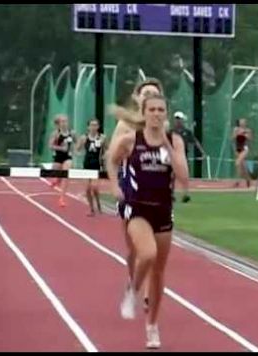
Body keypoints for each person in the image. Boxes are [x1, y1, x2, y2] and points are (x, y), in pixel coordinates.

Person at [106, 93, 189, 349]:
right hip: (137, 208)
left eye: (160, 109)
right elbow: (111, 159)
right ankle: (133, 290)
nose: (156, 113)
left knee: (160, 273)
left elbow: (184, 178)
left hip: (163, 210)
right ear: (144, 113)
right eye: (151, 109)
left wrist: (166, 144)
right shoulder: (131, 140)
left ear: (166, 113)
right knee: (148, 254)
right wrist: (114, 186)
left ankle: (152, 326)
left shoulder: (175, 141)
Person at [76, 119, 106, 216]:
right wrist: (79, 153)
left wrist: (104, 157)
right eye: (91, 125)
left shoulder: (102, 138)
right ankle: (91, 209)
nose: (93, 127)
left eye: (95, 125)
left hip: (97, 165)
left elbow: (108, 150)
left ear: (98, 127)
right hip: (86, 165)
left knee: (95, 187)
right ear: (88, 127)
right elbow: (77, 149)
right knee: (87, 189)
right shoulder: (84, 138)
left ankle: (98, 204)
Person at [49, 114, 77, 207]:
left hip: (68, 157)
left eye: (66, 121)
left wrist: (74, 151)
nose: (64, 123)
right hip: (58, 157)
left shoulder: (72, 133)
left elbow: (77, 143)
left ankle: (62, 198)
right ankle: (57, 180)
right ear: (59, 123)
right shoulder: (56, 133)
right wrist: (61, 148)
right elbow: (50, 146)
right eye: (62, 121)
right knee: (57, 174)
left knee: (66, 174)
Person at [232, 118, 252, 187]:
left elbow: (250, 139)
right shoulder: (236, 129)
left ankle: (237, 182)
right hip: (238, 148)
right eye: (241, 122)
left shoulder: (248, 130)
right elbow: (233, 138)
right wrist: (238, 134)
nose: (242, 123)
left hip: (245, 148)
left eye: (243, 122)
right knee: (243, 167)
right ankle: (248, 179)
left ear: (245, 123)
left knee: (237, 163)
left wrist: (245, 135)